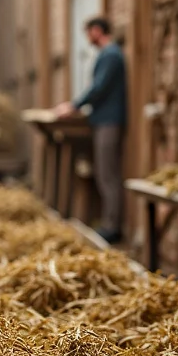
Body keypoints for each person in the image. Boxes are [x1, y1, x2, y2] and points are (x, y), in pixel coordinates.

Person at [54, 17, 128, 245]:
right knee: (105, 172)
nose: (87, 38)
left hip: (108, 122)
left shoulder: (111, 55)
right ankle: (109, 223)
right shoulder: (110, 54)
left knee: (108, 174)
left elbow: (99, 87)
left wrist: (74, 106)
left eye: (88, 33)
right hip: (103, 120)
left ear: (97, 31)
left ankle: (112, 226)